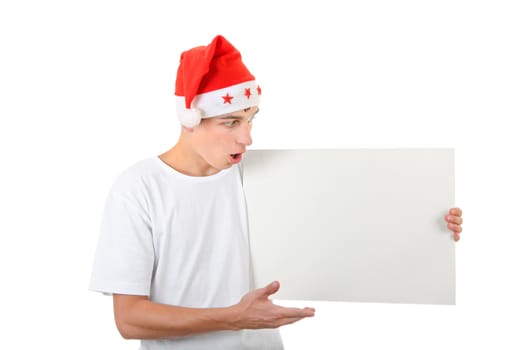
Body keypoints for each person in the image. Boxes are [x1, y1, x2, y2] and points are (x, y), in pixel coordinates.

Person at [89, 35, 464, 350]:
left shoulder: (260, 175)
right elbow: (130, 320)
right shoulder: (138, 188)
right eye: (230, 122)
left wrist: (425, 223)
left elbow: (351, 218)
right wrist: (232, 319)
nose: (246, 138)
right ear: (190, 120)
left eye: (251, 119)